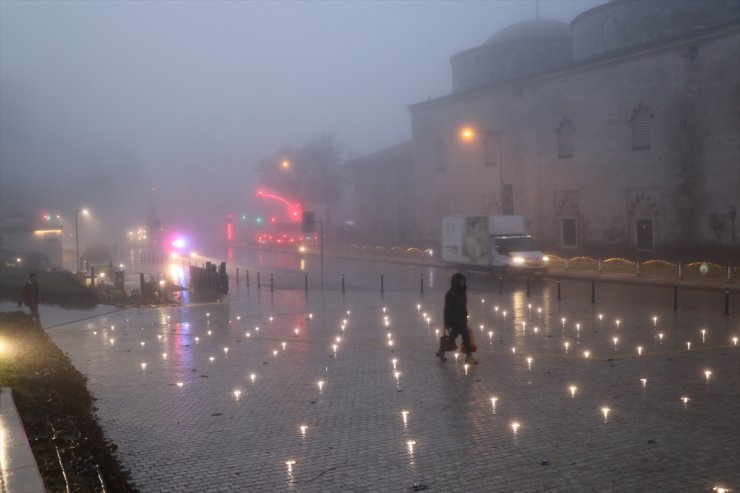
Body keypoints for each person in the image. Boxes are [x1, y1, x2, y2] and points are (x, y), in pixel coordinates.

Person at [438, 272, 477, 364]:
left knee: (453, 338)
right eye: (461, 281)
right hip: (453, 320)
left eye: (463, 281)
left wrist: (466, 316)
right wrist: (446, 322)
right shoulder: (450, 294)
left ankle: (441, 351)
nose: (463, 283)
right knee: (464, 336)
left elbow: (464, 306)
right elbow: (447, 309)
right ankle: (468, 355)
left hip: (462, 319)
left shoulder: (463, 292)